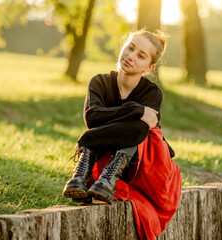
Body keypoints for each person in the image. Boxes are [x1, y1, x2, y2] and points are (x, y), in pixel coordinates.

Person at [62, 29, 182, 240]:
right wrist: (135, 110)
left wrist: (88, 139)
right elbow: (92, 117)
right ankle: (95, 180)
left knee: (138, 128)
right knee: (131, 123)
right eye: (130, 48)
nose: (131, 56)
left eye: (141, 56)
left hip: (146, 165)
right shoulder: (99, 82)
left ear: (149, 67)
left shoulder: (152, 93)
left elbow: (138, 130)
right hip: (110, 154)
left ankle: (92, 171)